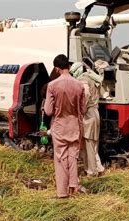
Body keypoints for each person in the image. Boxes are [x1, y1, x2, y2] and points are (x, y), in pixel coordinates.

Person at [43, 54, 86, 198]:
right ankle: (73, 186)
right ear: (68, 66)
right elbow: (83, 109)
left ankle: (62, 192)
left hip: (59, 125)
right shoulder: (79, 85)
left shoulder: (52, 85)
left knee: (61, 158)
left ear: (57, 69)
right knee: (73, 156)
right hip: (74, 125)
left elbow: (48, 111)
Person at [70, 62, 105, 176]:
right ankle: (98, 168)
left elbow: (85, 94)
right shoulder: (92, 77)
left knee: (88, 144)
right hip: (95, 112)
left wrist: (82, 110)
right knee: (94, 145)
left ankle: (91, 171)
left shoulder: (83, 80)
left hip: (89, 115)